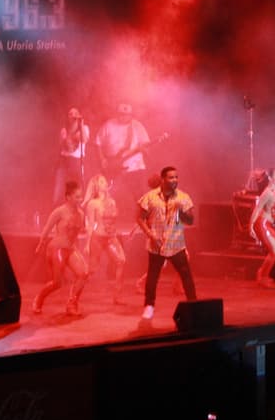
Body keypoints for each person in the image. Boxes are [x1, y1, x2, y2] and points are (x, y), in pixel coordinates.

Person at [136, 165, 198, 320]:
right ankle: (149, 306)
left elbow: (190, 220)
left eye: (176, 177)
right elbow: (139, 218)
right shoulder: (150, 197)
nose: (174, 180)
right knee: (153, 276)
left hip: (176, 243)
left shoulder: (183, 197)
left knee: (186, 275)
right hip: (156, 243)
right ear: (163, 179)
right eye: (171, 177)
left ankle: (194, 305)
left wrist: (181, 212)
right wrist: (150, 235)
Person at [33, 179, 90, 316]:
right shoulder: (59, 211)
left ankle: (72, 304)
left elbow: (79, 231)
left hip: (70, 249)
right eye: (77, 197)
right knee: (57, 283)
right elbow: (47, 229)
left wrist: (86, 232)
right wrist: (41, 244)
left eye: (80, 197)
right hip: (57, 248)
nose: (79, 199)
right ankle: (38, 299)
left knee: (83, 273)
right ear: (68, 197)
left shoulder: (81, 214)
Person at [82, 173, 129, 303]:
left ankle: (117, 296)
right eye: (102, 182)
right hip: (98, 238)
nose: (105, 183)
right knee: (91, 269)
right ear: (96, 186)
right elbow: (90, 225)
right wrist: (87, 244)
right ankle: (74, 295)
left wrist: (117, 234)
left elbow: (114, 221)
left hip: (111, 238)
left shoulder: (112, 201)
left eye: (105, 181)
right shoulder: (92, 204)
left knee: (121, 261)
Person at [96, 101, 152, 197]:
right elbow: (98, 142)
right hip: (114, 168)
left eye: (127, 115)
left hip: (135, 168)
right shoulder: (108, 125)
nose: (124, 117)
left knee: (139, 197)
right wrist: (102, 159)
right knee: (111, 196)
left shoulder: (137, 126)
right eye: (121, 114)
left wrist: (144, 151)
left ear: (131, 115)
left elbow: (147, 147)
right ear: (117, 114)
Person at [248, 167, 275, 287]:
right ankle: (263, 276)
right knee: (274, 250)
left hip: (268, 224)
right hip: (262, 223)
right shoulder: (267, 193)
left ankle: (262, 272)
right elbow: (257, 208)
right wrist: (251, 226)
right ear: (270, 178)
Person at [54, 107, 91, 204]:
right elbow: (61, 146)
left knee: (77, 185)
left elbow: (85, 139)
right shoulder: (64, 129)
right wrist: (65, 139)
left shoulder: (84, 127)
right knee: (60, 186)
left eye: (75, 113)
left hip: (77, 160)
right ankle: (58, 207)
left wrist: (81, 122)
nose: (73, 115)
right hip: (64, 160)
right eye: (70, 113)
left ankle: (79, 207)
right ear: (67, 117)